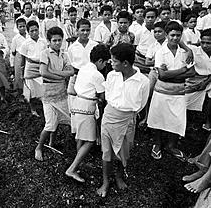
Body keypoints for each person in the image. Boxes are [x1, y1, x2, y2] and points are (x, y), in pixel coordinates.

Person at [96, 43, 150, 198]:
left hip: (127, 120)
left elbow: (141, 104)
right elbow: (108, 97)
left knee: (123, 151)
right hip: (109, 117)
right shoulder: (112, 75)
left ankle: (119, 176)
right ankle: (106, 181)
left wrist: (128, 115)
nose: (110, 63)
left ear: (125, 63)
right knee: (106, 152)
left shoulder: (143, 81)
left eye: (114, 61)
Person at [148, 21, 196, 162]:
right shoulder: (160, 52)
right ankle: (157, 144)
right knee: (158, 119)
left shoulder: (185, 52)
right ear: (167, 35)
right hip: (162, 91)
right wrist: (182, 70)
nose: (175, 38)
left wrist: (171, 73)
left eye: (178, 35)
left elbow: (192, 72)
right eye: (172, 35)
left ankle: (171, 145)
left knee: (177, 119)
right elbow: (161, 75)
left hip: (179, 92)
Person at [65, 44, 110, 182]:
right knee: (90, 141)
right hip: (86, 108)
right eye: (105, 63)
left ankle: (78, 162)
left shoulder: (84, 68)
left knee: (80, 136)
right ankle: (72, 168)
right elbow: (102, 97)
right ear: (100, 61)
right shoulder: (97, 75)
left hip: (76, 104)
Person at [35, 26, 74, 161]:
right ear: (49, 41)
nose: (57, 43)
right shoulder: (45, 53)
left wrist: (54, 74)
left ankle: (52, 143)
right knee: (50, 123)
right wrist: (60, 76)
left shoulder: (64, 54)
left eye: (59, 40)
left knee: (64, 120)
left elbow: (71, 72)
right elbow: (43, 73)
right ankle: (39, 147)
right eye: (54, 40)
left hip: (61, 93)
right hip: (48, 94)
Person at [67, 19, 99, 133]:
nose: (85, 33)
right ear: (77, 30)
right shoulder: (72, 48)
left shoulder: (94, 45)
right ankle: (76, 131)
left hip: (92, 80)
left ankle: (92, 132)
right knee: (75, 105)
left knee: (91, 104)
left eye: (88, 30)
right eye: (82, 30)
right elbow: (69, 66)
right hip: (76, 79)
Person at [19, 20, 48, 116]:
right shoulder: (25, 44)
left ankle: (45, 108)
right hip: (30, 67)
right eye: (32, 31)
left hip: (41, 66)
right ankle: (33, 109)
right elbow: (22, 59)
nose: (34, 33)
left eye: (36, 30)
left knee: (43, 89)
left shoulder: (43, 42)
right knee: (31, 91)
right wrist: (22, 72)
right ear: (28, 32)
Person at [185, 28, 211, 130]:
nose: (204, 45)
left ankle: (208, 122)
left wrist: (205, 83)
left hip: (208, 79)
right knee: (184, 102)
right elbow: (180, 42)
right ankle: (183, 122)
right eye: (202, 42)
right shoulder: (195, 50)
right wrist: (188, 50)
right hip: (194, 79)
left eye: (208, 43)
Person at [134, 8, 158, 74]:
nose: (150, 19)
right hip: (140, 60)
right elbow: (136, 45)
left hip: (154, 60)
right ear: (144, 18)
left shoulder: (158, 32)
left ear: (156, 18)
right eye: (148, 17)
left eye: (152, 17)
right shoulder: (139, 32)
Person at [10, 18, 27, 101]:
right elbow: (12, 53)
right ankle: (20, 95)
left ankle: (28, 94)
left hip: (28, 57)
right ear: (17, 27)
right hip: (19, 57)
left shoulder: (29, 36)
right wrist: (12, 65)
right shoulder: (15, 38)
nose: (22, 28)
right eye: (20, 26)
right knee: (19, 76)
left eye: (24, 26)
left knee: (27, 76)